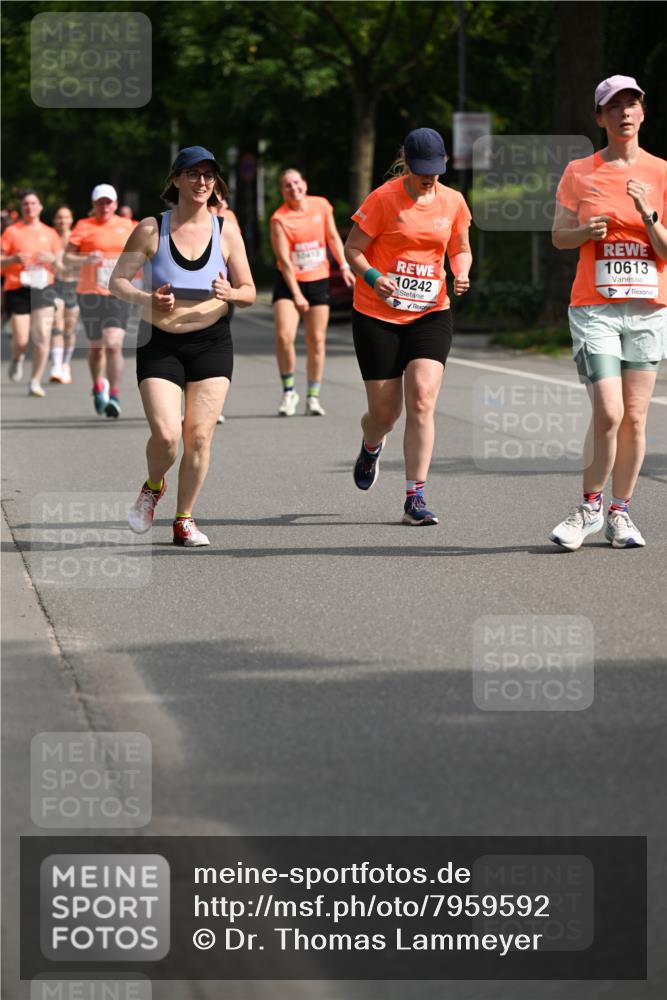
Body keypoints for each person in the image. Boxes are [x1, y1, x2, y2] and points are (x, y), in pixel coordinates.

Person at [109, 145, 255, 548]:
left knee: (201, 436)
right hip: (160, 341)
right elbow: (117, 282)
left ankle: (184, 519)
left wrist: (231, 292)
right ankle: (153, 487)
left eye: (208, 175)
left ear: (216, 183)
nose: (201, 182)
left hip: (211, 341)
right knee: (168, 435)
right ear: (175, 180)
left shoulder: (226, 229)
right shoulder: (151, 228)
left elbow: (249, 291)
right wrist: (147, 299)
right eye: (192, 174)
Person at [550, 76, 667, 551]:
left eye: (632, 104)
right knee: (609, 412)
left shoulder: (661, 173)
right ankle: (589, 508)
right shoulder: (581, 171)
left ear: (643, 113)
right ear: (599, 118)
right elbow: (559, 236)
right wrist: (584, 231)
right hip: (595, 307)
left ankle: (620, 513)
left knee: (635, 418)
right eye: (614, 106)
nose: (624, 112)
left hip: (647, 309)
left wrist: (648, 214)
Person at [344, 128, 472, 525]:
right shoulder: (384, 199)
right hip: (377, 314)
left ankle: (414, 498)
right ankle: (371, 443)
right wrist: (373, 277)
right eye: (422, 172)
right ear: (409, 165)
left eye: (435, 171)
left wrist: (461, 272)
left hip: (430, 311)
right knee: (384, 413)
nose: (429, 179)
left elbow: (461, 247)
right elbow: (353, 249)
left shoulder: (453, 202)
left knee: (421, 398)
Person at [270, 168, 354, 416]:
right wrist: (296, 294)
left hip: (318, 280)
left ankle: (313, 396)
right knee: (285, 337)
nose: (293, 187)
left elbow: (333, 238)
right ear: (282, 191)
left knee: (316, 340)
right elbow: (284, 261)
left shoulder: (321, 206)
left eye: (296, 182)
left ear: (304, 184)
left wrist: (345, 266)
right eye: (287, 185)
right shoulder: (279, 219)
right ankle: (289, 392)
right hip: (289, 283)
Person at [64, 185, 135, 417]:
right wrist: (85, 259)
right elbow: (67, 257)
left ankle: (114, 395)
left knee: (113, 343)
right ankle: (98, 387)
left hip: (118, 292)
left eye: (108, 202)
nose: (104, 207)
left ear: (115, 204)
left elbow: (145, 252)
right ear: (93, 205)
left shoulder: (128, 226)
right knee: (96, 348)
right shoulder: (83, 226)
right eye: (100, 203)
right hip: (90, 292)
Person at [1, 189, 61, 396]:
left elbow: (61, 266)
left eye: (33, 203)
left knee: (43, 335)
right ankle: (17, 358)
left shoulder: (50, 233)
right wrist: (13, 260)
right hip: (18, 288)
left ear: (40, 207)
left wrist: (52, 260)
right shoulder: (12, 232)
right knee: (21, 339)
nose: (29, 207)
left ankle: (35, 381)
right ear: (21, 208)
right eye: (26, 204)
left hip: (44, 287)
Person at [49, 205, 79, 384]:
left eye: (66, 217)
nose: (62, 221)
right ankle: (56, 366)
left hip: (74, 286)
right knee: (56, 324)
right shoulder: (49, 237)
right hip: (54, 285)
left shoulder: (76, 238)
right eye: (59, 217)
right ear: (54, 220)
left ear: (71, 219)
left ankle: (66, 364)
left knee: (69, 329)